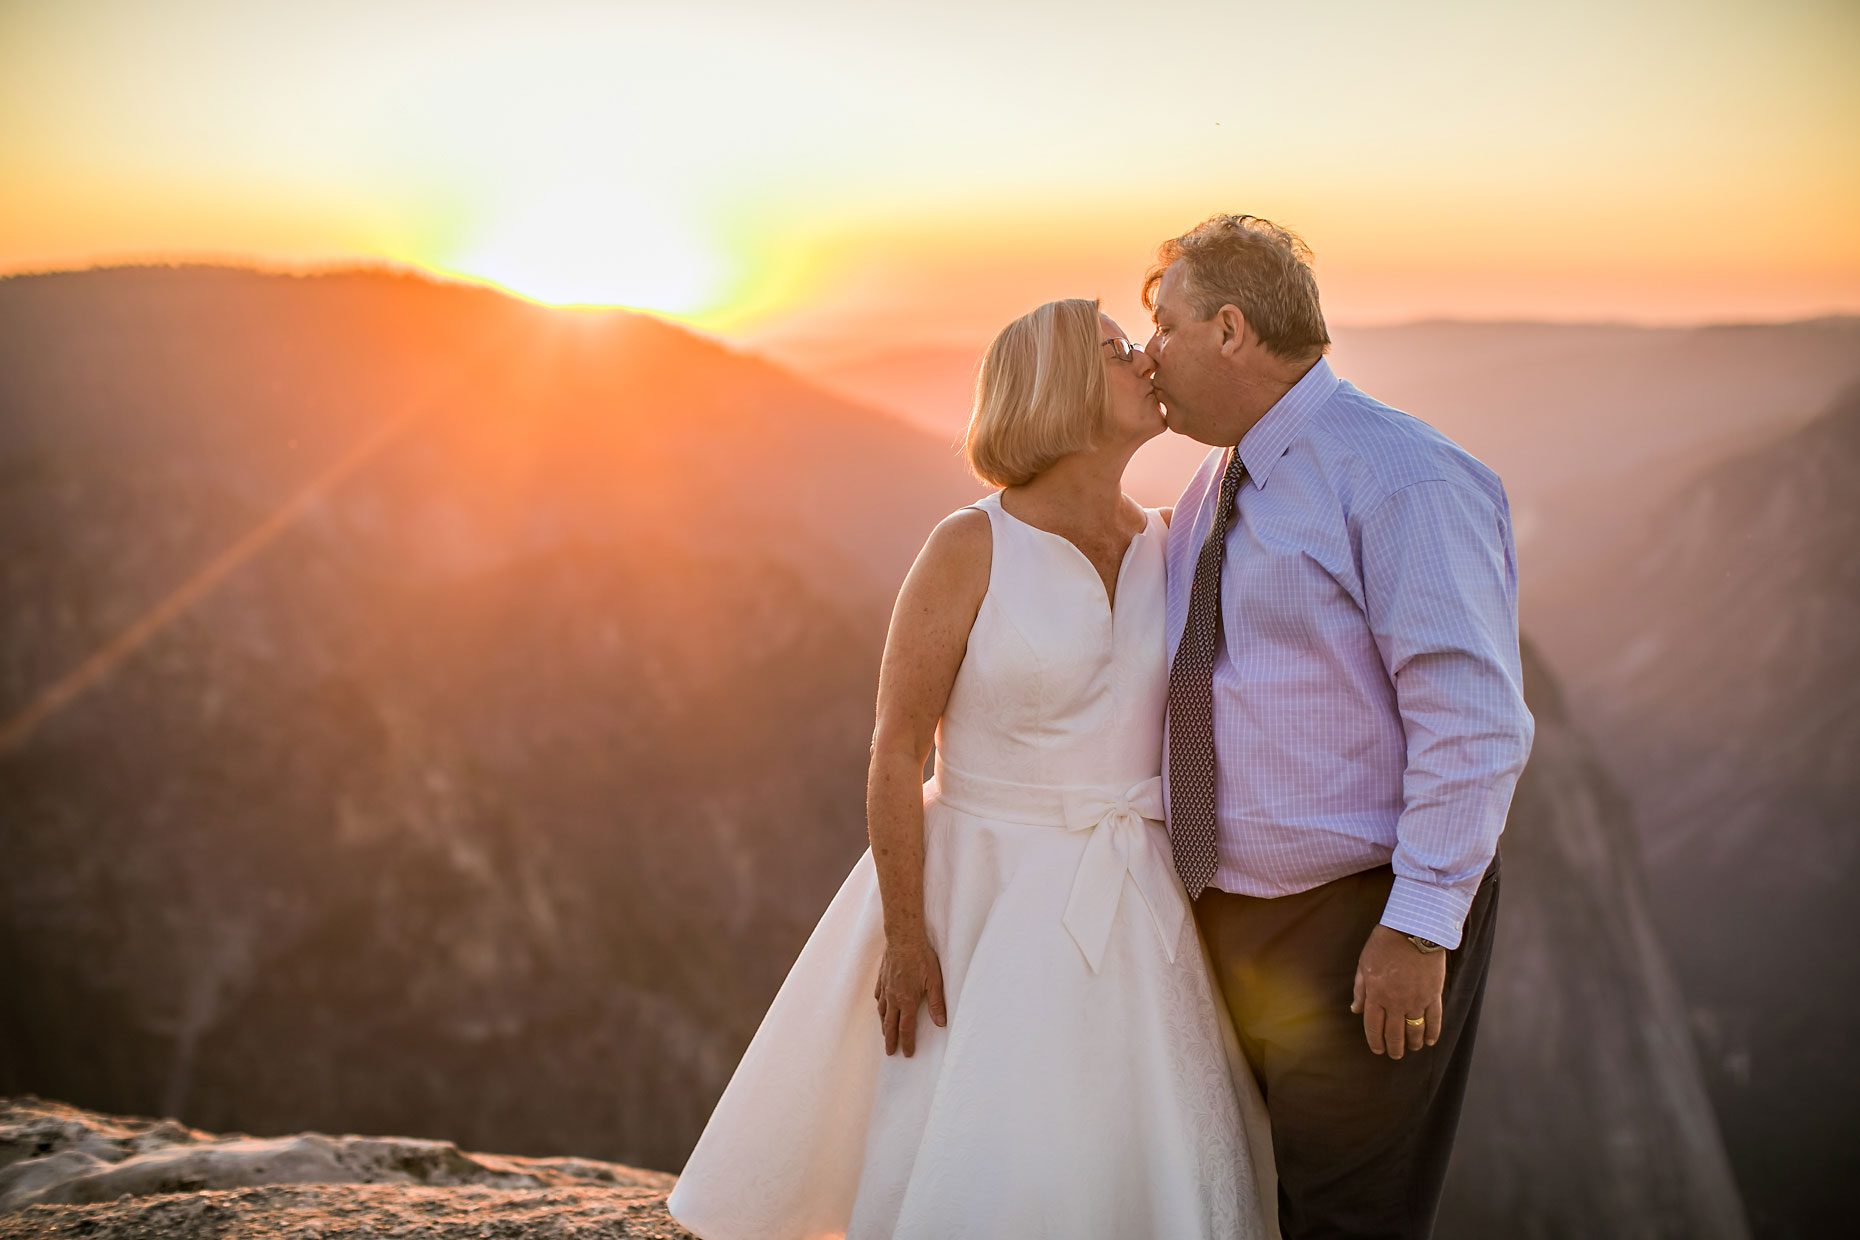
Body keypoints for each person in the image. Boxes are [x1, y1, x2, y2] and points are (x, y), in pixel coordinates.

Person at [667, 297, 1273, 1239]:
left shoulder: (1170, 540)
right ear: (1064, 392)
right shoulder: (969, 546)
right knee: (988, 1142)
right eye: (1117, 351)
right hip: (979, 891)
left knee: (1130, 1152)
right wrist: (906, 934)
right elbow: (897, 745)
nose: (1145, 360)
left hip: (1137, 892)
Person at [1146, 214, 1536, 1239]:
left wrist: (1416, 924)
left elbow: (1474, 717)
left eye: (1166, 325)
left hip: (1360, 919)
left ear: (1231, 330)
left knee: (1347, 1215)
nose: (1151, 354)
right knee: (1248, 1196)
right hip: (1229, 916)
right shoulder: (1212, 484)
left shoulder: (1402, 474)